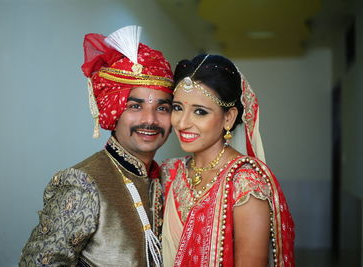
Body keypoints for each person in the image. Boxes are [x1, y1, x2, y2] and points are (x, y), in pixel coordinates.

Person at [19, 25, 174, 267]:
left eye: (162, 108)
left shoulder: (168, 179)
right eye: (135, 106)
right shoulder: (83, 182)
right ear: (113, 111)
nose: (150, 119)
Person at [161, 54, 295, 267]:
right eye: (177, 107)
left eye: (200, 112)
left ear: (228, 118)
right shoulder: (169, 172)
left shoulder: (245, 184)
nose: (182, 122)